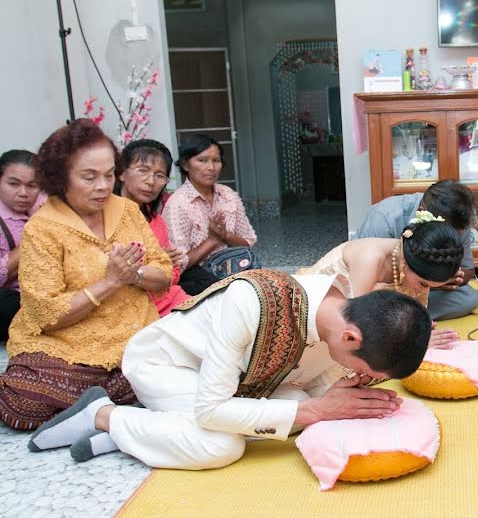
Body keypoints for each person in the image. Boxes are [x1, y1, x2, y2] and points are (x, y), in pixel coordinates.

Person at [27, 270, 432, 470]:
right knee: (223, 445)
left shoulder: (340, 318)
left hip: (245, 381)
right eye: (371, 371)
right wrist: (318, 410)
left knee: (299, 410)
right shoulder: (252, 301)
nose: (368, 378)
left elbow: (303, 379)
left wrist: (331, 400)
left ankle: (141, 432)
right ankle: (105, 415)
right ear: (350, 339)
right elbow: (211, 409)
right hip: (170, 366)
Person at [0, 119, 173, 430]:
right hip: (67, 347)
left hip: (134, 339)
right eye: (89, 177)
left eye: (109, 175)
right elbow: (47, 315)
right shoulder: (43, 228)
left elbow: (164, 274)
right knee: (23, 401)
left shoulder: (127, 211)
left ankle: (94, 410)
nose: (103, 186)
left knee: (183, 368)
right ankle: (113, 409)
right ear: (60, 178)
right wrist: (110, 281)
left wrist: (133, 275)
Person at [308, 216, 464, 349]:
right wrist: (410, 343)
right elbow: (350, 325)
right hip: (320, 322)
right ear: (406, 265)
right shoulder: (370, 259)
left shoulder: (414, 256)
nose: (424, 292)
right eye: (424, 284)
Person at [356, 180, 478, 320]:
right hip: (383, 287)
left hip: (423, 288)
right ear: (422, 212)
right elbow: (365, 285)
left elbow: (468, 271)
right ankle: (406, 321)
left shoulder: (458, 223)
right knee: (366, 306)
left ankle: (402, 318)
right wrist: (426, 280)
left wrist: (443, 279)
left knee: (468, 298)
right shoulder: (384, 218)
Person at [162, 134, 257, 286]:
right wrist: (212, 240)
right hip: (200, 280)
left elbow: (247, 244)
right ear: (186, 165)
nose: (211, 168)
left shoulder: (228, 195)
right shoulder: (178, 204)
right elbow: (179, 265)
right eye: (202, 160)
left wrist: (225, 234)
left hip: (235, 269)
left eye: (216, 161)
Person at [115, 139, 192, 315]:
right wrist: (157, 261)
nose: (151, 181)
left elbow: (173, 274)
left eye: (160, 175)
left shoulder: (156, 220)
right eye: (143, 170)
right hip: (131, 306)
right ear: (121, 173)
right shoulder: (106, 217)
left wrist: (159, 265)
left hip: (168, 298)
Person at [0, 150, 46, 340]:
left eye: (32, 186)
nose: (23, 193)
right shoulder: (38, 218)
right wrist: (35, 228)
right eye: (13, 184)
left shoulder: (47, 207)